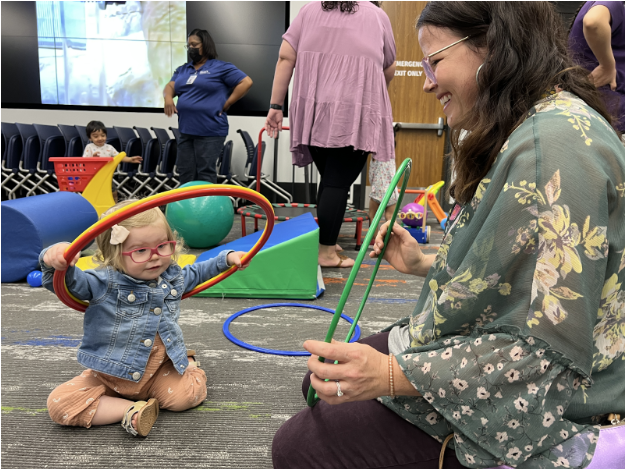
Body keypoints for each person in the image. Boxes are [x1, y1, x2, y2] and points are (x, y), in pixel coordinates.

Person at [272, 2, 625, 468]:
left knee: (300, 446)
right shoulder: (535, 121)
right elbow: (513, 265)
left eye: (435, 61)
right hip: (496, 348)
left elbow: (545, 356)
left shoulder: (554, 150)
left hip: (560, 401)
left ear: (495, 49)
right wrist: (425, 263)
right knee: (321, 381)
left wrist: (394, 374)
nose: (426, 81)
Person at [40, 200, 250, 437]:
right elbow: (67, 282)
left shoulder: (171, 277)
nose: (155, 257)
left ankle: (188, 365)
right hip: (109, 377)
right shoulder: (101, 283)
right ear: (114, 254)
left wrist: (227, 257)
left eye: (162, 246)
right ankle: (131, 409)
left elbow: (198, 271)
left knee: (188, 397)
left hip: (157, 372)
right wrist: (55, 258)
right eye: (140, 250)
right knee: (59, 404)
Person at [265, 1, 397, 268]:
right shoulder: (377, 16)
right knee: (337, 182)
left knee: (330, 179)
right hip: (355, 112)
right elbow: (388, 68)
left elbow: (285, 58)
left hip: (314, 111)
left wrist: (275, 106)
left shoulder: (308, 11)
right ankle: (326, 252)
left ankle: (326, 239)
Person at [164, 29, 253, 185]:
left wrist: (229, 102)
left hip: (210, 131)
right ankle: (187, 208)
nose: (190, 48)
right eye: (188, 45)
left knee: (205, 172)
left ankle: (204, 209)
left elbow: (246, 82)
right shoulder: (183, 69)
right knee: (185, 171)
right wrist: (168, 98)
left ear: (205, 45)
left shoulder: (220, 67)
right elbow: (170, 86)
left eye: (194, 44)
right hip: (186, 131)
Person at [568, 1, 625, 138]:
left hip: (595, 115)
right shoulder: (612, 3)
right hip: (608, 118)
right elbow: (593, 22)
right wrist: (607, 66)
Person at [83, 120, 143, 202]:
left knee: (113, 192)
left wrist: (130, 159)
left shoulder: (109, 147)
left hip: (107, 176)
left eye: (103, 135)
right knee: (95, 192)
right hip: (94, 177)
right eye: (96, 136)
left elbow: (119, 157)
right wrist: (93, 158)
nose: (100, 138)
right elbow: (84, 161)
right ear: (90, 138)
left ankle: (114, 207)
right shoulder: (89, 147)